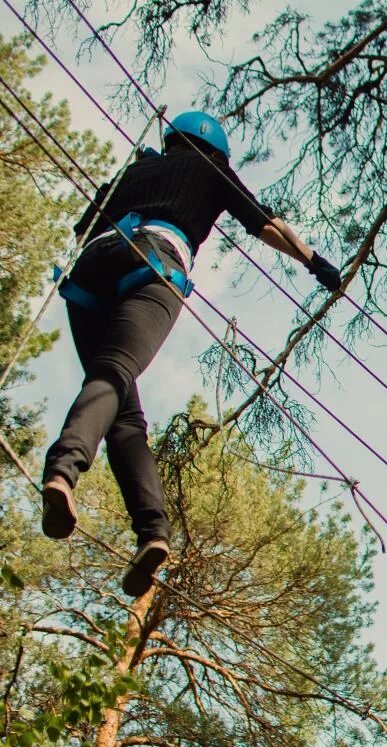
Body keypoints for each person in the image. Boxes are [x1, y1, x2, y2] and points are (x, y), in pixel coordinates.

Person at [40, 111, 343, 598]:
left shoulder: (133, 170)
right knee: (115, 371)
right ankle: (63, 468)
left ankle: (152, 532)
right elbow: (264, 223)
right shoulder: (211, 170)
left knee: (120, 405)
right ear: (216, 150)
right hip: (153, 262)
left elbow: (83, 230)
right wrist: (314, 262)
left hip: (93, 266)